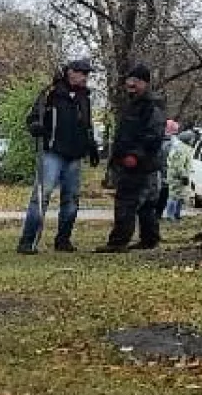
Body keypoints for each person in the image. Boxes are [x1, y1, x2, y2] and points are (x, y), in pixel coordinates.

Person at [19, 59, 99, 254]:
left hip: (75, 155)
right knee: (41, 197)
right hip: (52, 153)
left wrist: (91, 146)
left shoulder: (84, 98)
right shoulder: (50, 94)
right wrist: (35, 127)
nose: (85, 77)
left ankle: (63, 240)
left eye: (87, 74)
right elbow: (32, 118)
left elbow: (87, 125)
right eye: (82, 73)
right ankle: (28, 241)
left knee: (71, 200)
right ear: (70, 72)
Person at [99, 63, 167, 252]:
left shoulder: (151, 106)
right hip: (136, 162)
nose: (131, 84)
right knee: (146, 204)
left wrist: (134, 156)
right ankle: (149, 239)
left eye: (135, 81)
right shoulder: (132, 105)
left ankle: (118, 242)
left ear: (145, 83)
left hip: (139, 163)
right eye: (129, 80)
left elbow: (153, 135)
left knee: (127, 201)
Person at [168, 129, 200, 221]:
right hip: (177, 176)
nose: (193, 141)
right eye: (192, 139)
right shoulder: (181, 149)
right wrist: (184, 176)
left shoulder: (183, 147)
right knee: (173, 196)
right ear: (187, 139)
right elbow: (179, 165)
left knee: (180, 196)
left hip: (180, 175)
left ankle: (176, 215)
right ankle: (171, 216)